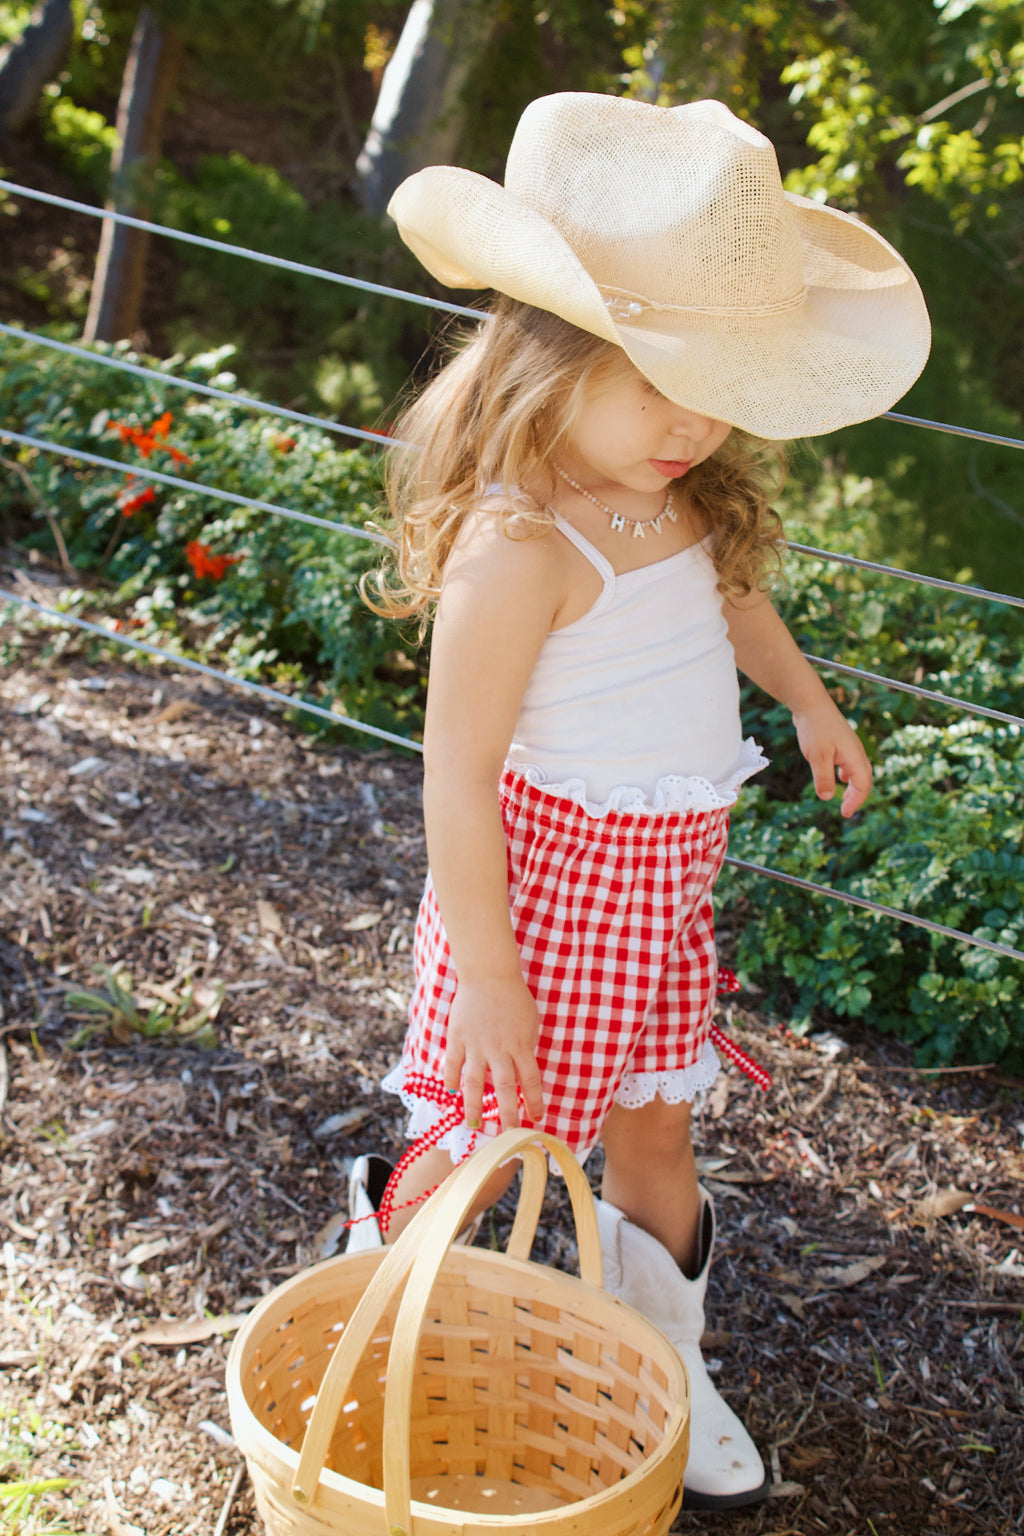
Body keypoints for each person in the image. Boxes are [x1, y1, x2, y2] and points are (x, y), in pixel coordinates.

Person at [346, 92, 930, 1509]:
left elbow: (734, 605)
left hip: (658, 886)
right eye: (662, 378)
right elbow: (457, 774)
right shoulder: (520, 544)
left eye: (722, 383)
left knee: (654, 1127)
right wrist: (486, 974)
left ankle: (666, 1357)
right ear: (550, 359)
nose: (698, 419)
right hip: (533, 898)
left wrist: (804, 697)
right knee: (487, 1136)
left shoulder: (679, 498)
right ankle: (398, 1315)